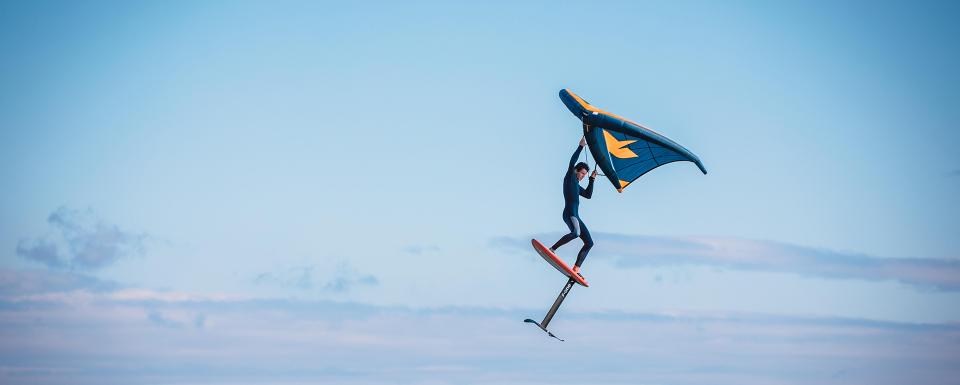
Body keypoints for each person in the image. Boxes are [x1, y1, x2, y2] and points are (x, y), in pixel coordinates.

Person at [550, 136, 597, 278]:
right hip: (569, 213)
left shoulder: (577, 185)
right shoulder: (570, 177)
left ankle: (576, 268)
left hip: (576, 216)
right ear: (576, 170)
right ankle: (552, 249)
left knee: (589, 243)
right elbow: (571, 163)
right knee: (576, 233)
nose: (583, 175)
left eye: (585, 174)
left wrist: (592, 179)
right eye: (582, 173)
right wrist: (581, 146)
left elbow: (588, 195)